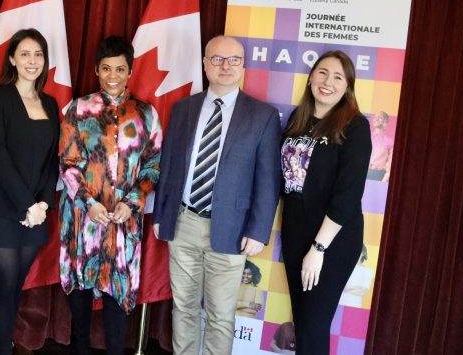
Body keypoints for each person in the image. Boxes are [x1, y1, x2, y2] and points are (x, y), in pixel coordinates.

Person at [152, 35, 281, 355]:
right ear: (205, 64)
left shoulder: (262, 116)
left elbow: (268, 179)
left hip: (232, 229)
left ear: (243, 66)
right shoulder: (183, 109)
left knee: (221, 315)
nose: (225, 66)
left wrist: (258, 229)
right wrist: (161, 215)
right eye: (217, 59)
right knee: (182, 308)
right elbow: (168, 166)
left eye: (234, 60)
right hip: (183, 222)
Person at [59, 36, 161, 355]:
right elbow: (67, 162)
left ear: (130, 71)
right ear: (96, 71)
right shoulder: (78, 108)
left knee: (118, 295)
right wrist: (89, 204)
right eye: (106, 69)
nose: (113, 76)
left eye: (120, 69)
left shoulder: (145, 114)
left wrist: (131, 204)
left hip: (123, 220)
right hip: (82, 219)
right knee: (81, 294)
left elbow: (154, 165)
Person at [0, 29, 60, 355]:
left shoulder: (50, 102)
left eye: (38, 54)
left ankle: (3, 345)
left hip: (36, 212)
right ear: (12, 59)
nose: (32, 61)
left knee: (16, 287)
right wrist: (27, 206)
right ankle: (1, 350)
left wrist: (44, 205)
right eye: (24, 54)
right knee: (5, 287)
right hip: (3, 208)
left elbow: (53, 161)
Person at [280, 50, 371, 354]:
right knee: (302, 321)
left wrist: (318, 248)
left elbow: (348, 195)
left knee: (313, 326)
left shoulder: (355, 126)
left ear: (348, 87)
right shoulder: (298, 118)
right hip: (295, 231)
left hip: (332, 240)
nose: (327, 82)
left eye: (337, 77)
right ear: (310, 78)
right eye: (322, 72)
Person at [367, 111, 393, 181]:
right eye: (375, 117)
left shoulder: (390, 141)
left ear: (385, 122)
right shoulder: (367, 136)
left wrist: (383, 182)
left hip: (379, 176)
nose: (376, 119)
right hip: (364, 172)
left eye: (380, 117)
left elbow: (390, 167)